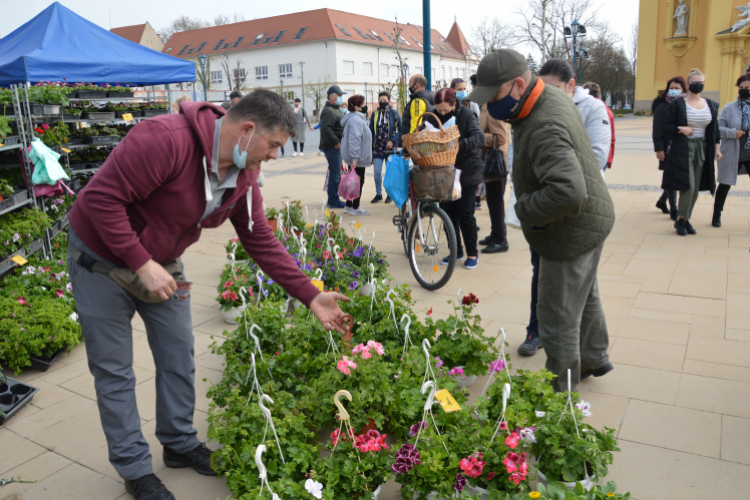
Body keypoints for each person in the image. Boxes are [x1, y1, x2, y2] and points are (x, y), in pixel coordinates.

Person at [66, 90, 349, 500]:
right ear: (247, 130)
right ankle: (135, 470)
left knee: (178, 352)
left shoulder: (243, 172)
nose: (273, 157)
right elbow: (99, 200)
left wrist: (310, 295)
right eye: (272, 146)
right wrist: (141, 263)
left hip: (163, 262)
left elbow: (258, 237)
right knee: (114, 371)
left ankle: (179, 443)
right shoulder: (163, 139)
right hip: (101, 260)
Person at [469, 49, 615, 393]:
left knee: (556, 313)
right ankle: (594, 357)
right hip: (590, 221)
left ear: (518, 85)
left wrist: (525, 210)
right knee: (585, 293)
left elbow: (568, 191)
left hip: (570, 230)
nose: (489, 106)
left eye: (494, 97)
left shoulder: (543, 122)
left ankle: (559, 395)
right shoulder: (546, 95)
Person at [517, 59, 613, 358]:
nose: (547, 92)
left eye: (554, 87)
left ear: (571, 85)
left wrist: (529, 205)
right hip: (559, 209)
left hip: (568, 213)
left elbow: (594, 158)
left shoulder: (586, 110)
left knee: (557, 305)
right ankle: (595, 357)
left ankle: (562, 390)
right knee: (582, 287)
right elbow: (518, 153)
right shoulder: (543, 109)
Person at [424, 88, 485, 270]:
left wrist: (458, 145)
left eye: (445, 110)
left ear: (454, 104)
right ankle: (455, 251)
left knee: (465, 213)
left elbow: (479, 138)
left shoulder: (466, 115)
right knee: (448, 213)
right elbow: (422, 133)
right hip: (443, 171)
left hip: (467, 170)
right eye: (439, 110)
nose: (442, 113)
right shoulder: (431, 116)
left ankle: (472, 253)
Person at [662, 68, 721, 236]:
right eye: (695, 83)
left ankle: (686, 219)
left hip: (703, 148)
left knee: (696, 189)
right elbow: (667, 127)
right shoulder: (678, 104)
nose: (698, 85)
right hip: (683, 147)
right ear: (688, 84)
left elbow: (715, 130)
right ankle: (681, 220)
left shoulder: (710, 105)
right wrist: (681, 128)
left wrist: (717, 148)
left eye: (701, 83)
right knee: (689, 185)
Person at [539, 59, 612, 179]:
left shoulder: (593, 107)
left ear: (571, 85)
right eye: (543, 89)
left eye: (555, 89)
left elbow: (598, 157)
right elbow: (516, 147)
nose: (548, 95)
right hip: (542, 187)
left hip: (584, 187)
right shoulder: (536, 107)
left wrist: (544, 165)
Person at [713, 73, 750, 228]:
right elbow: (719, 127)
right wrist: (732, 132)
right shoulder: (729, 108)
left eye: (747, 88)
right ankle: (716, 215)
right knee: (725, 184)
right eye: (741, 88)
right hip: (731, 152)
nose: (744, 90)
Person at [652, 77, 687, 220]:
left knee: (674, 177)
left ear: (684, 89)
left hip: (682, 146)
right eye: (671, 87)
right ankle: (674, 209)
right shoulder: (662, 106)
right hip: (667, 147)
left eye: (677, 88)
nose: (674, 90)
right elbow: (657, 129)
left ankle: (662, 201)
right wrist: (659, 148)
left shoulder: (685, 104)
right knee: (672, 177)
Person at [478, 101, 510, 253]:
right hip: (492, 161)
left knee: (496, 201)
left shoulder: (493, 108)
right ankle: (495, 234)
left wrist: (479, 136)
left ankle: (500, 240)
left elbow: (500, 138)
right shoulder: (486, 106)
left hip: (496, 163)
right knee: (492, 200)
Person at [452, 77, 483, 210]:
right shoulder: (447, 108)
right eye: (459, 89)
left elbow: (477, 131)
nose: (463, 92)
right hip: (454, 161)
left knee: (466, 206)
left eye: (464, 89)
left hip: (468, 157)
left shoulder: (471, 106)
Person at [341, 95, 373, 216]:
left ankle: (349, 205)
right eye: (364, 104)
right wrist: (355, 157)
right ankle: (356, 207)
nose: (366, 106)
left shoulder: (353, 118)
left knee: (352, 180)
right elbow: (355, 138)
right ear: (357, 107)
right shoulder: (356, 119)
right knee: (358, 181)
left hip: (355, 156)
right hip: (357, 157)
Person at [369, 91, 401, 203]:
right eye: (380, 100)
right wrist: (370, 145)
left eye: (385, 100)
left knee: (390, 172)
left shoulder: (395, 114)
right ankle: (378, 194)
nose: (382, 102)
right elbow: (371, 131)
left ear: (389, 101)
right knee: (377, 171)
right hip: (377, 147)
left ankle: (390, 194)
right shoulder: (374, 114)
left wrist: (392, 141)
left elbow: (401, 130)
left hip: (390, 148)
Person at [320, 85, 347, 208]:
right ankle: (333, 200)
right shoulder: (329, 110)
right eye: (339, 95)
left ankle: (333, 198)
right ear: (331, 96)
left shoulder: (335, 109)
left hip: (335, 147)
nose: (341, 98)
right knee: (335, 175)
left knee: (335, 173)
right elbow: (325, 129)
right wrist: (336, 142)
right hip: (332, 147)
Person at [583, 81, 616, 171]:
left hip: (591, 156)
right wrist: (610, 158)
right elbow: (612, 137)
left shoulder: (591, 108)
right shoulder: (607, 110)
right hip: (605, 154)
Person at [399, 74, 435, 148]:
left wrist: (410, 145)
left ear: (416, 85)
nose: (409, 87)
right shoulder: (429, 100)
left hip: (416, 144)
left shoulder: (417, 101)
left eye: (410, 84)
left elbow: (415, 124)